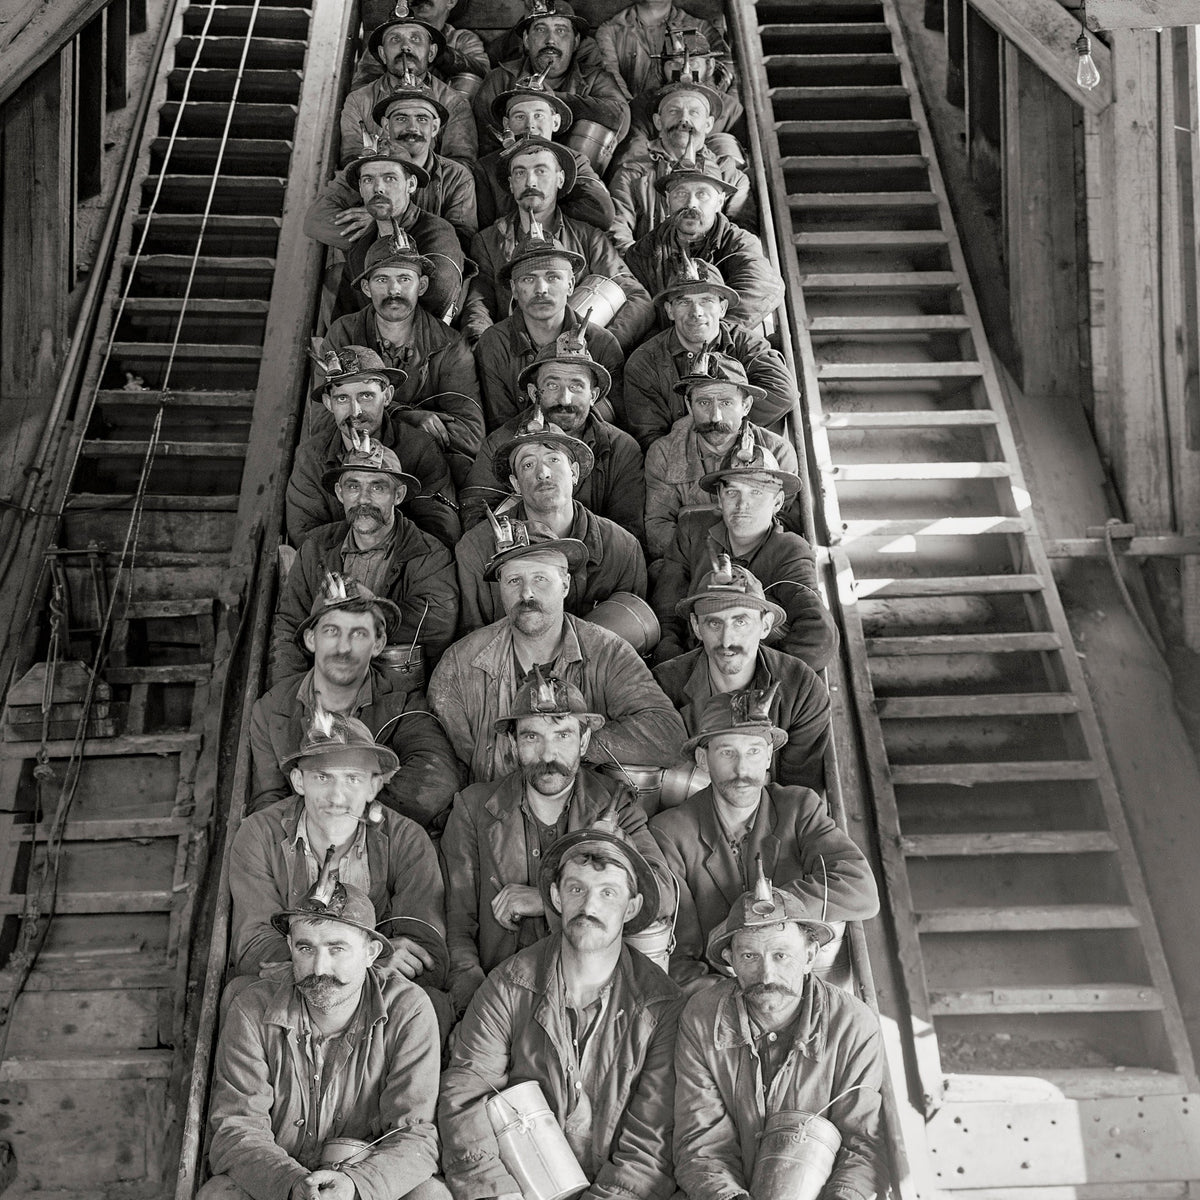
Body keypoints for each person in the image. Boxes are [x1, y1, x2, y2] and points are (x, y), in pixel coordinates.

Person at [438, 816, 680, 1200]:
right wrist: (497, 1192)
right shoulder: (508, 985)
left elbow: (651, 1141)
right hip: (519, 1185)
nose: (589, 906)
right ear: (555, 897)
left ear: (631, 908)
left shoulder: (661, 1006)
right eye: (576, 889)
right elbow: (466, 1096)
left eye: (608, 893)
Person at [439, 667, 673, 1013]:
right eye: (532, 737)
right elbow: (458, 928)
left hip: (593, 1000)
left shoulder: (616, 805)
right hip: (499, 997)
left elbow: (661, 895)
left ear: (583, 741)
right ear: (513, 743)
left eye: (562, 736)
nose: (548, 755)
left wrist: (546, 901)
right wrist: (477, 1003)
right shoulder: (474, 809)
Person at [202, 876, 449, 1200]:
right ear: (290, 947)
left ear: (371, 952)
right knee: (220, 1194)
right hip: (278, 1184)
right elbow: (236, 1128)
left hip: (366, 1184)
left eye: (337, 949)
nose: (319, 967)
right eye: (306, 948)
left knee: (431, 1195)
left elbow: (413, 1133)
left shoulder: (409, 1010)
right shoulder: (251, 1010)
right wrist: (290, 1183)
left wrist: (357, 1185)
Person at [673, 868, 887, 1200]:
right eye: (749, 956)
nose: (766, 974)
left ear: (810, 956)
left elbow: (863, 1145)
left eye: (781, 955)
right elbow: (701, 1143)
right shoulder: (703, 1018)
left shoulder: (853, 1025)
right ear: (730, 961)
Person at [232, 711, 453, 1031]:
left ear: (374, 786)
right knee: (241, 997)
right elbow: (254, 947)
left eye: (352, 778)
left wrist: (350, 976)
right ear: (298, 781)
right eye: (322, 776)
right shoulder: (260, 835)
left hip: (378, 1002)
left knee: (429, 1004)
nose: (337, 796)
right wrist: (366, 965)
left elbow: (426, 951)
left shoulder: (406, 840)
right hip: (296, 996)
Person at [650, 689, 878, 986]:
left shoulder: (799, 809)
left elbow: (860, 888)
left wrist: (767, 908)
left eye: (754, 751)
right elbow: (681, 957)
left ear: (769, 756)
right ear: (703, 759)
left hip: (797, 989)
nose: (742, 769)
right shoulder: (670, 833)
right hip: (720, 995)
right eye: (727, 752)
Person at [428, 551, 686, 782]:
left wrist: (573, 744)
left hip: (584, 816)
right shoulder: (460, 664)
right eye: (513, 580)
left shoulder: (608, 652)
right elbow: (444, 767)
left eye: (540, 578)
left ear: (565, 585)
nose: (526, 593)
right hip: (492, 817)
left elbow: (667, 735)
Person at [250, 575, 463, 827]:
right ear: (310, 639)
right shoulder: (271, 710)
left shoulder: (401, 703)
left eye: (359, 634)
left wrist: (353, 821)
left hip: (377, 844)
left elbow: (436, 779)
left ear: (378, 644)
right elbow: (270, 799)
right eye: (331, 631)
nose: (343, 647)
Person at [271, 437, 459, 682]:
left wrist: (362, 607)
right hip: (326, 686)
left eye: (377, 487)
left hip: (395, 692)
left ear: (398, 494)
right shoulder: (316, 548)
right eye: (353, 487)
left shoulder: (428, 553)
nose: (363, 499)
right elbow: (288, 625)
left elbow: (439, 623)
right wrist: (289, 689)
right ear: (340, 493)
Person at [652, 428, 838, 671]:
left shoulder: (789, 551)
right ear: (719, 499)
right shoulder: (692, 531)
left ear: (778, 502)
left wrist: (756, 675)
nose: (742, 504)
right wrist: (683, 673)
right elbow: (667, 614)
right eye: (732, 492)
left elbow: (819, 634)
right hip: (696, 666)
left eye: (756, 493)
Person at [320, 236, 485, 485]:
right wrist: (407, 416)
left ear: (422, 286)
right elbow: (323, 420)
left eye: (404, 279)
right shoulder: (342, 333)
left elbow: (470, 433)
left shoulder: (449, 344)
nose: (393, 290)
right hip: (355, 466)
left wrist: (375, 420)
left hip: (427, 469)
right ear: (366, 288)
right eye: (382, 279)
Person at [654, 560, 831, 791]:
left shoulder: (801, 690)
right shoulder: (665, 685)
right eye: (714, 623)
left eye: (740, 622)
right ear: (696, 627)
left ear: (765, 625)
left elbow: (798, 793)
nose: (727, 640)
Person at [454, 414, 647, 626]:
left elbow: (636, 631)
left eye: (553, 460)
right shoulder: (478, 549)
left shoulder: (622, 549)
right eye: (528, 465)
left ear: (574, 473)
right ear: (515, 484)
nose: (543, 473)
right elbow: (474, 640)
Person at [462, 139, 653, 352]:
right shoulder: (489, 241)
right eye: (520, 173)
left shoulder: (588, 238)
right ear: (510, 184)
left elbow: (637, 298)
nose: (530, 182)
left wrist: (597, 347)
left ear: (560, 179)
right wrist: (488, 350)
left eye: (541, 171)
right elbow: (479, 305)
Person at [463, 331, 644, 537]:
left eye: (576, 386)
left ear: (593, 395)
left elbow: (627, 535)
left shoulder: (621, 449)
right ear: (533, 393)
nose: (565, 399)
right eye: (552, 385)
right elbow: (477, 517)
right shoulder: (501, 443)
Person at [286, 345, 460, 549]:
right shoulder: (311, 456)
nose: (355, 411)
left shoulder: (420, 448)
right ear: (328, 403)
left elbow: (442, 529)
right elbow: (305, 534)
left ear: (387, 396)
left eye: (366, 396)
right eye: (342, 398)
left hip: (405, 569)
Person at [625, 257, 796, 451]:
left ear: (722, 308)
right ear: (669, 311)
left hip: (741, 454)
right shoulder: (645, 362)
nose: (696, 311)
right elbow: (649, 437)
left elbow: (782, 393)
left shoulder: (746, 345)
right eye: (684, 302)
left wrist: (722, 430)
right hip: (680, 461)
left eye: (706, 300)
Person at [644, 353, 799, 560]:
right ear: (689, 406)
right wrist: (711, 564)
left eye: (726, 403)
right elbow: (658, 531)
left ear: (746, 406)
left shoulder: (778, 453)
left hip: (757, 565)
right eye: (704, 403)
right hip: (689, 567)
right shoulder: (664, 454)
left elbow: (783, 527)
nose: (715, 416)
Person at [473, 220, 624, 430]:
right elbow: (501, 425)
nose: (541, 289)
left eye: (553, 277)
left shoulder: (601, 343)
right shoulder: (495, 344)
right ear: (514, 290)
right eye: (528, 279)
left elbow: (612, 422)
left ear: (570, 284)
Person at [304, 138, 467, 323]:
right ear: (359, 188)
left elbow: (437, 300)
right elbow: (346, 315)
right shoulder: (362, 242)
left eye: (390, 178)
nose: (378, 188)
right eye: (368, 179)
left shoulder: (436, 232)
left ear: (411, 185)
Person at [310, 79, 478, 249]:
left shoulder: (456, 177)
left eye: (422, 119)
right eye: (401, 119)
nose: (412, 128)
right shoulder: (364, 169)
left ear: (434, 128)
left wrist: (382, 223)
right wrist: (378, 239)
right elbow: (317, 220)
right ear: (385, 125)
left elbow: (461, 241)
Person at [626, 156, 784, 330]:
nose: (691, 204)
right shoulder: (643, 252)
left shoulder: (739, 244)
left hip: (726, 345)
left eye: (702, 194)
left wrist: (705, 336)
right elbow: (641, 312)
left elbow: (759, 288)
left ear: (720, 202)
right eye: (681, 194)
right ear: (667, 201)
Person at [473, 0, 631, 156]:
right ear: (526, 40)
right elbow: (487, 142)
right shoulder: (500, 79)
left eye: (561, 30)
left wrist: (553, 99)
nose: (550, 40)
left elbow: (620, 118)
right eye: (541, 30)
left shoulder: (596, 79)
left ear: (575, 42)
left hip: (579, 173)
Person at [608, 76, 749, 250]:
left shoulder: (731, 177)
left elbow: (742, 242)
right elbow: (618, 232)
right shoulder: (632, 174)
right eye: (673, 111)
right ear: (658, 122)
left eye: (694, 112)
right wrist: (645, 267)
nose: (684, 120)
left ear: (708, 124)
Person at [340, 0, 476, 165]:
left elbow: (461, 164)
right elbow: (351, 162)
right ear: (382, 54)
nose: (405, 47)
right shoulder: (358, 101)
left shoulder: (454, 103)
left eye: (416, 39)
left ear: (431, 52)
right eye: (395, 39)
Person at [473, 76, 615, 232]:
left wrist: (544, 215)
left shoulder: (574, 161)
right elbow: (485, 231)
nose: (530, 126)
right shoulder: (486, 168)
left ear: (555, 122)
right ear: (507, 124)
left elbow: (602, 213)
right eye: (520, 117)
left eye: (538, 115)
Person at [595, 0, 741, 142]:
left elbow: (730, 69)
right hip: (640, 121)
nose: (685, 71)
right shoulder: (612, 30)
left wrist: (702, 100)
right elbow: (610, 79)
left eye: (693, 63)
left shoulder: (697, 27)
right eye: (674, 64)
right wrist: (638, 114)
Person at [355, 0, 489, 88]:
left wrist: (439, 52)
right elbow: (362, 85)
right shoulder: (387, 39)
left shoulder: (462, 39)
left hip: (447, 118)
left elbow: (483, 71)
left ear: (451, 1)